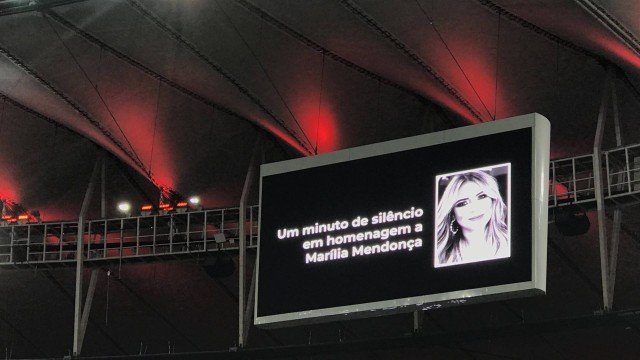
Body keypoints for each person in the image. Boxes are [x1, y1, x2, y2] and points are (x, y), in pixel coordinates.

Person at [435, 170, 509, 266]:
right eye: (462, 203)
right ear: (452, 213)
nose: (475, 208)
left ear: (493, 200)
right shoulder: (440, 255)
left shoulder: (510, 243)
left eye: (481, 196)